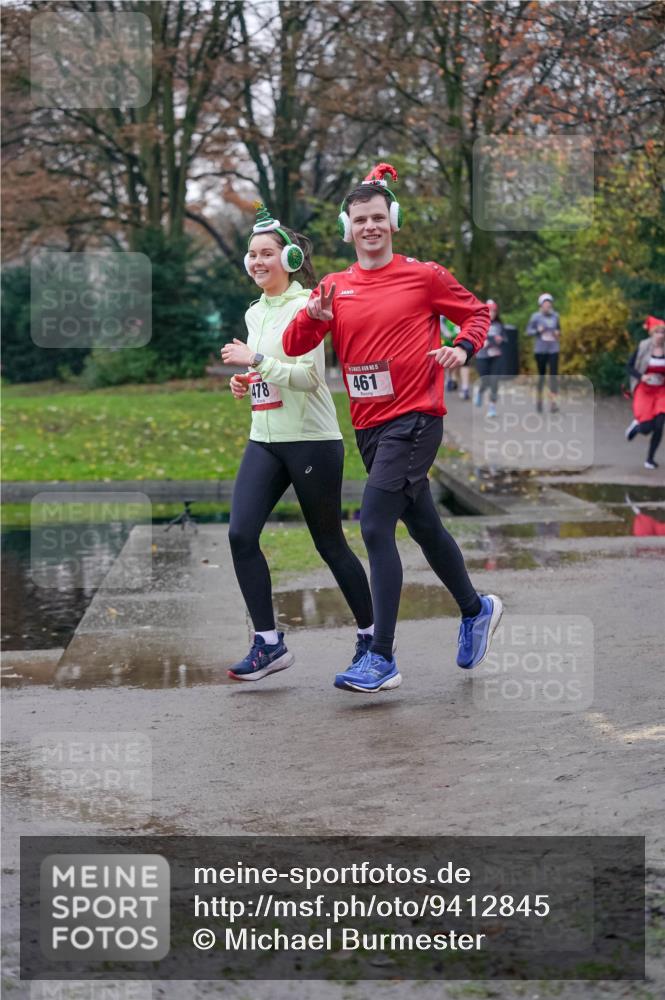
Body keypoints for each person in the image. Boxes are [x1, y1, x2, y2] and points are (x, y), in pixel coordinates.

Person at [282, 162, 503, 694]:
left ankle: (380, 657)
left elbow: (477, 314)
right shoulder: (334, 287)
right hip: (370, 427)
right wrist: (312, 313)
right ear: (347, 227)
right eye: (361, 220)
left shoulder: (425, 276)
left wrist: (462, 347)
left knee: (376, 525)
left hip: (416, 419)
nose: (370, 227)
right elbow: (293, 345)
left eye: (378, 218)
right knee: (424, 524)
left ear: (393, 220)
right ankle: (476, 609)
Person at [220, 204, 374, 681]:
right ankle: (268, 644)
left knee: (329, 544)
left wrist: (257, 360)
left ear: (287, 258)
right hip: (264, 439)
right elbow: (265, 370)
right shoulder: (254, 312)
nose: (257, 261)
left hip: (311, 441)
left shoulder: (308, 306)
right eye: (251, 254)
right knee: (240, 535)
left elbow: (310, 380)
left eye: (266, 253)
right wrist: (246, 380)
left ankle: (373, 637)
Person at [625, 315, 665, 470]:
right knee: (647, 427)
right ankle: (637, 426)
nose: (661, 335)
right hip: (645, 390)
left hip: (661, 391)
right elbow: (629, 367)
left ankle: (650, 459)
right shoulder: (643, 346)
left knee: (660, 424)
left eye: (663, 332)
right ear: (652, 333)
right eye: (658, 332)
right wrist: (643, 376)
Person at [526, 293, 561, 413]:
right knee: (541, 377)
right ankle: (539, 401)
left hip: (553, 349)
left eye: (549, 305)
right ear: (540, 306)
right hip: (540, 351)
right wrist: (537, 330)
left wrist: (557, 333)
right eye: (545, 305)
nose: (547, 307)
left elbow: (558, 330)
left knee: (553, 377)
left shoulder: (556, 316)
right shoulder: (535, 317)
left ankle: (553, 403)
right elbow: (528, 331)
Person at [473, 298, 504, 418]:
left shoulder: (499, 325)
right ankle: (480, 393)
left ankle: (492, 406)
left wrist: (500, 339)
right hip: (482, 356)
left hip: (496, 355)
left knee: (494, 381)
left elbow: (505, 338)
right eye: (490, 311)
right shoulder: (478, 323)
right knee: (485, 380)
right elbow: (473, 339)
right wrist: (481, 342)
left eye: (494, 311)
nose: (492, 314)